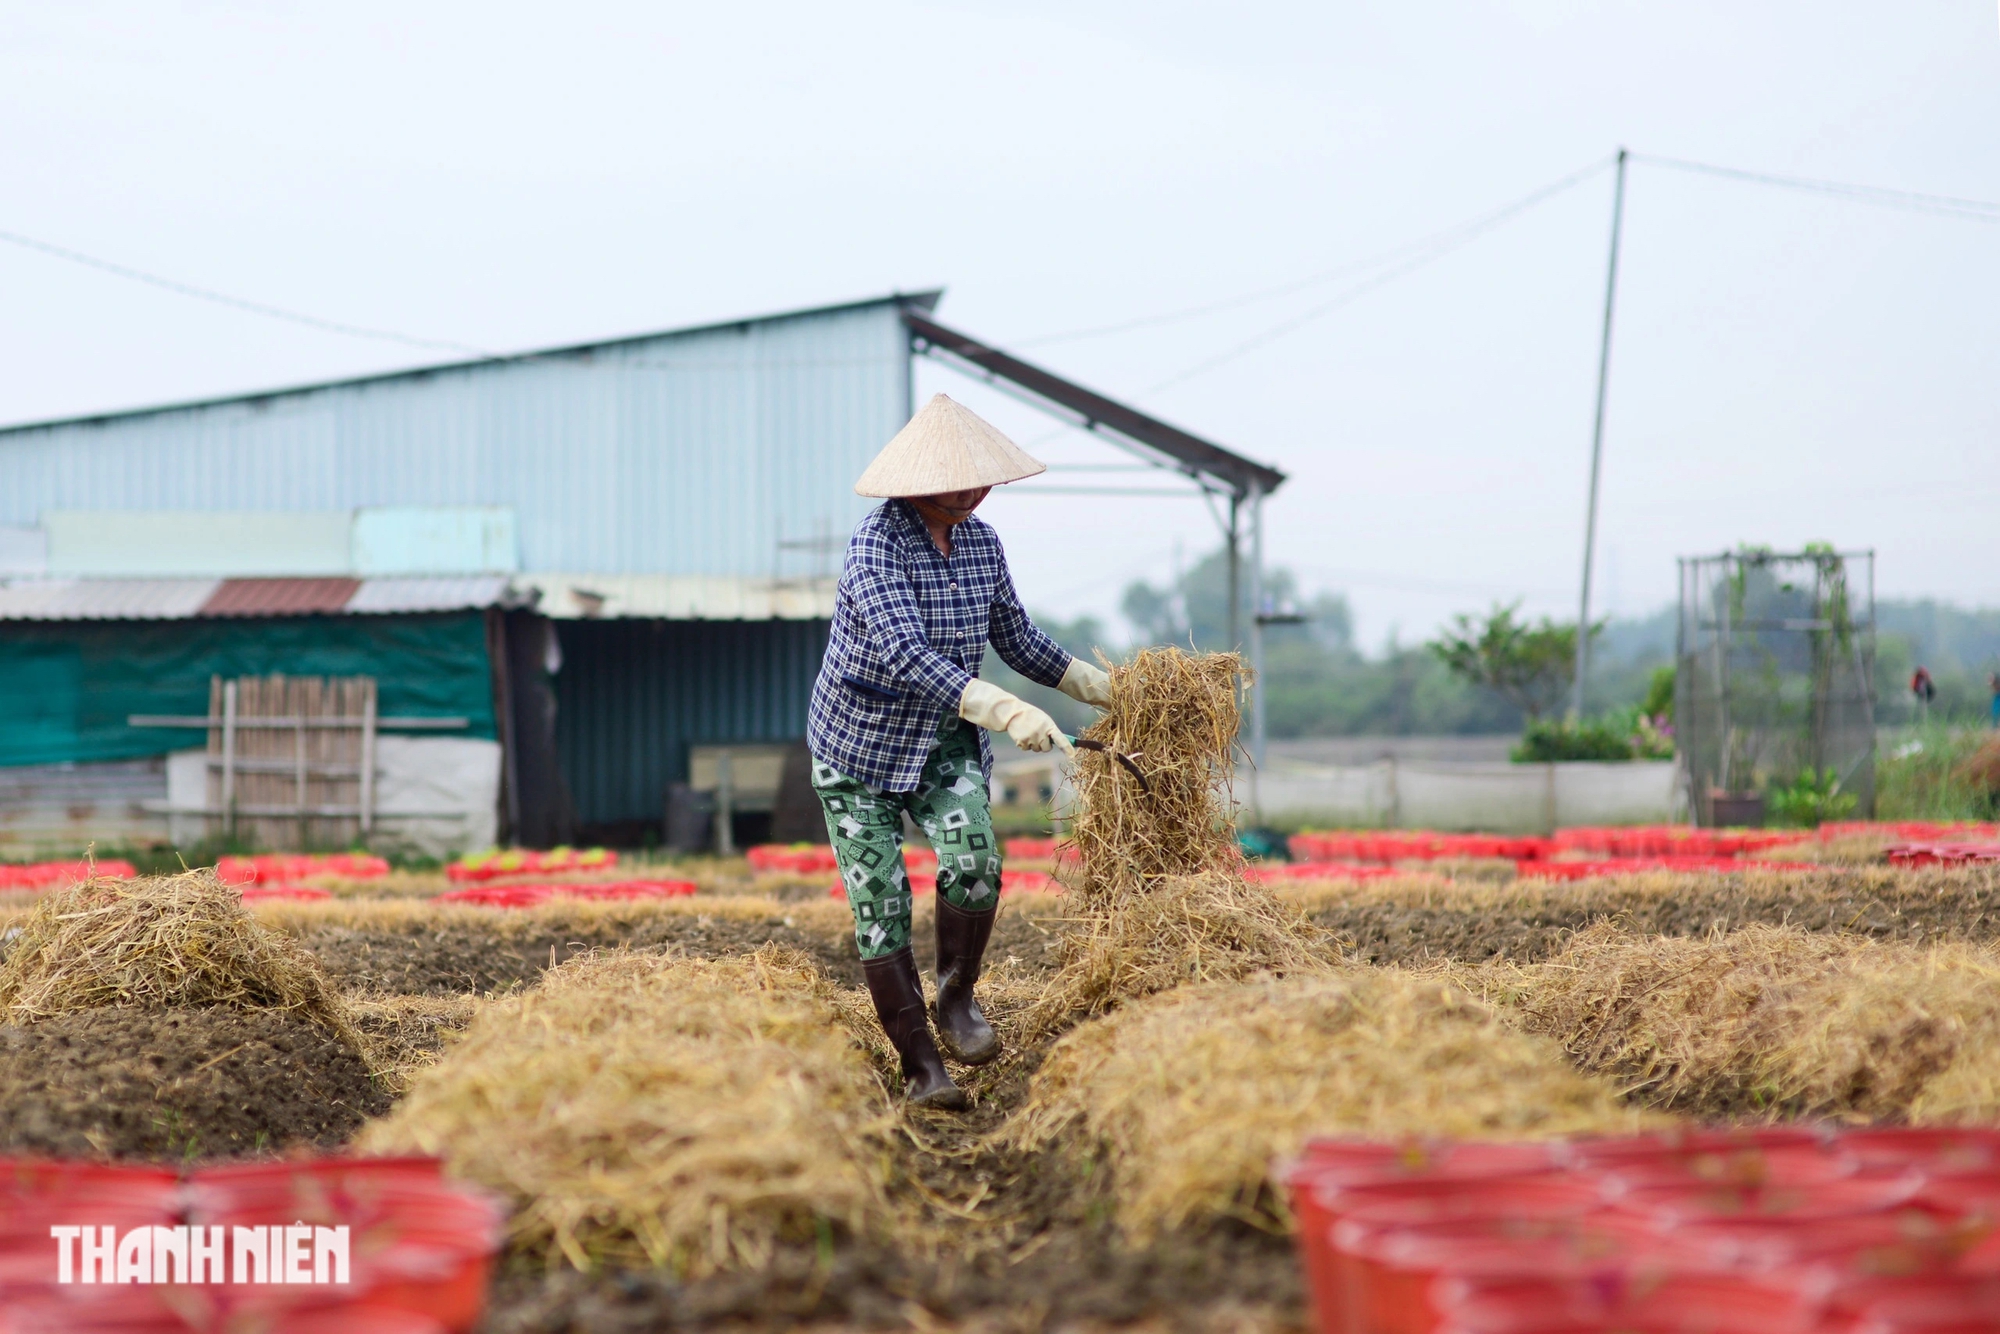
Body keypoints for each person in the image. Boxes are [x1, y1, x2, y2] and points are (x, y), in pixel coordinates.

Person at [806, 393, 1111, 1110]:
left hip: (942, 741)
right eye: (958, 479)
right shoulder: (873, 548)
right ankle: (920, 1065)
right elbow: (906, 655)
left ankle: (957, 1000)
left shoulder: (981, 543)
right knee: (880, 906)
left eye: (982, 478)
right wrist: (1002, 707)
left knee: (975, 859)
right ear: (915, 482)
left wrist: (1101, 688)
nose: (974, 490)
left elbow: (1018, 638)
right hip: (858, 749)